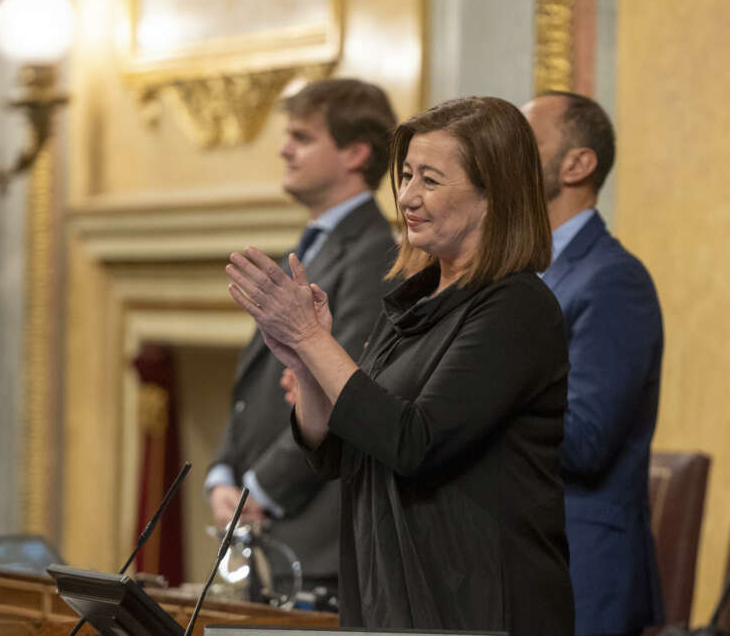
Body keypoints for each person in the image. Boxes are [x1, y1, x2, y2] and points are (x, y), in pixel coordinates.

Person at [225, 97, 575, 636]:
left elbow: (414, 442)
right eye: (407, 175)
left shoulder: (517, 307)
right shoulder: (412, 301)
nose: (407, 196)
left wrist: (311, 338)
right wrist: (304, 357)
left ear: (493, 194)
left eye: (430, 180)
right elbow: (338, 450)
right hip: (388, 591)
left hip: (477, 604)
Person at [206, 78, 397, 597]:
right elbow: (259, 379)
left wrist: (259, 489)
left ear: (355, 153)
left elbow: (339, 385)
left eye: (303, 137)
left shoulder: (374, 252)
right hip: (270, 527)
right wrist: (225, 470)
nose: (284, 149)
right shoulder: (314, 242)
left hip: (317, 538)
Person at [522, 91, 665, 636]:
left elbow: (584, 442)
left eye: (525, 144)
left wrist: (467, 408)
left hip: (581, 574)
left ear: (579, 164)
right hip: (523, 563)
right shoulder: (522, 274)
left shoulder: (612, 280)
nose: (504, 158)